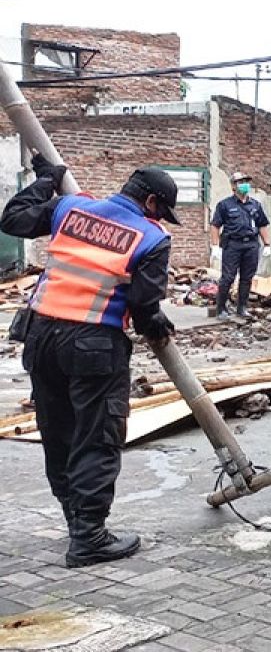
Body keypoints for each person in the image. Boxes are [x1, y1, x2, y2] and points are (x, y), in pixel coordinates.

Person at [1, 157, 177, 568]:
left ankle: (74, 518)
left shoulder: (71, 207)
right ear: (151, 201)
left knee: (59, 431)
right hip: (94, 343)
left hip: (41, 336)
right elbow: (143, 303)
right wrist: (156, 325)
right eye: (161, 209)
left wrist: (46, 180)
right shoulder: (151, 237)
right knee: (96, 436)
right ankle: (89, 538)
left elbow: (12, 219)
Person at [209, 171, 270, 319]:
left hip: (251, 245)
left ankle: (242, 308)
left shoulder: (255, 205)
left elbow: (262, 225)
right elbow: (215, 225)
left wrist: (267, 244)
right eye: (240, 182)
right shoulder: (225, 205)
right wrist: (215, 246)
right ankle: (221, 308)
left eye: (246, 182)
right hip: (232, 245)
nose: (244, 185)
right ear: (233, 186)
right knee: (228, 278)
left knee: (247, 278)